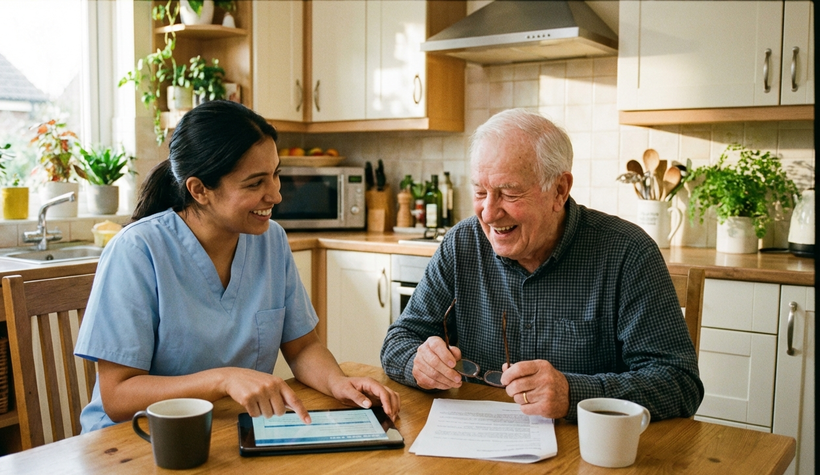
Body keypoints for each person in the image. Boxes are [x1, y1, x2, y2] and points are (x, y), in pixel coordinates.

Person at [75, 100, 399, 432]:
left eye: (276, 175)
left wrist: (338, 384)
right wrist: (223, 380)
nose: (275, 195)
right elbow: (117, 396)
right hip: (137, 443)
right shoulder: (136, 251)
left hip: (228, 431)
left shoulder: (270, 240)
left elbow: (303, 347)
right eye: (255, 183)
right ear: (199, 190)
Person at [380, 109, 703, 422]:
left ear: (559, 190)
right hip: (475, 454)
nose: (489, 213)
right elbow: (399, 341)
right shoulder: (461, 244)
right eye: (480, 191)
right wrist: (417, 362)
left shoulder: (628, 253)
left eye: (509, 193)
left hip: (588, 460)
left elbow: (679, 382)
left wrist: (572, 394)